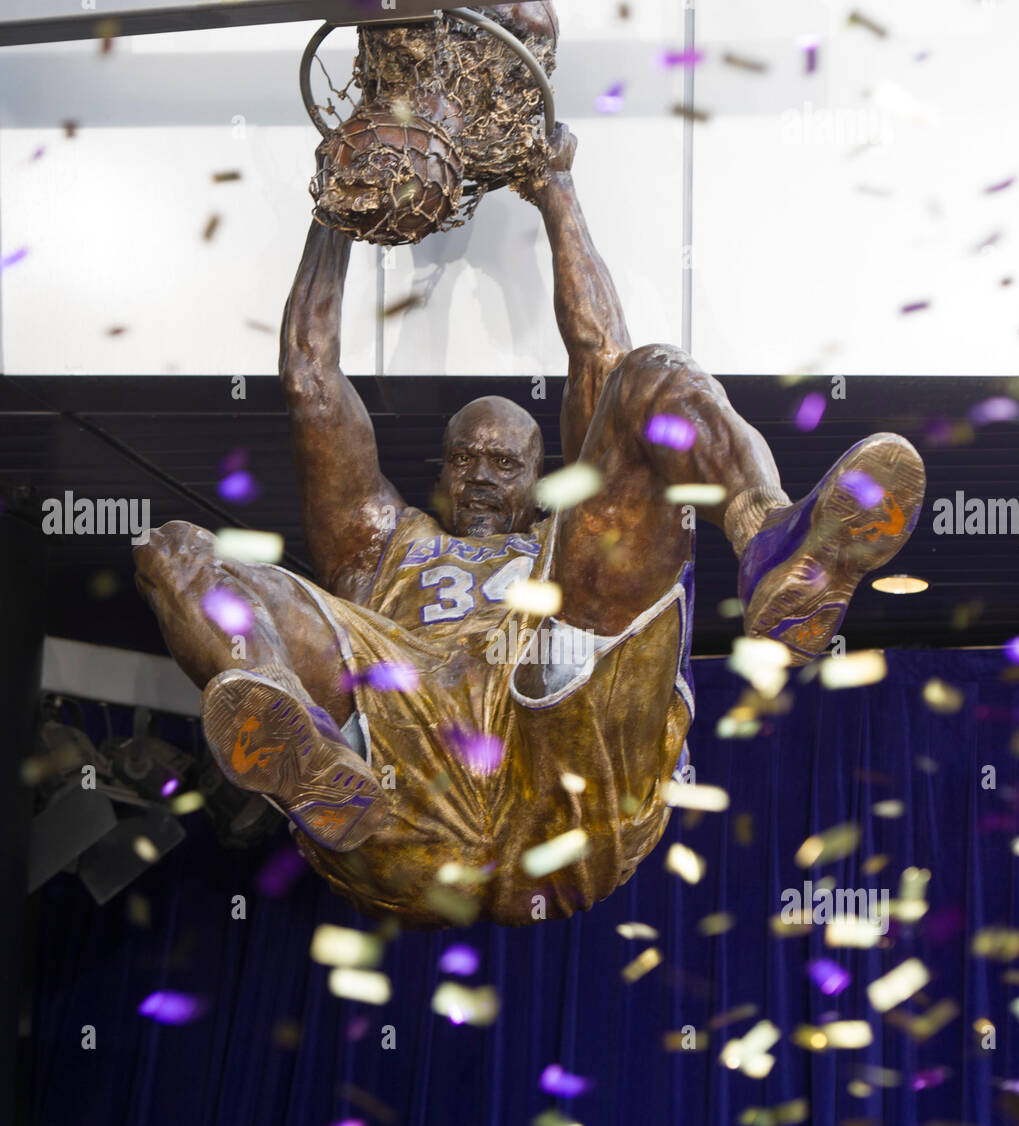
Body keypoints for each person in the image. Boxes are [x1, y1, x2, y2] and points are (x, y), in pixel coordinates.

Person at [134, 123, 924, 926]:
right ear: (437, 473)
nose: (479, 474)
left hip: (565, 758)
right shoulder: (381, 541)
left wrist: (556, 189)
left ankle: (773, 543)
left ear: (542, 479)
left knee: (653, 377)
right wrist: (337, 207)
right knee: (177, 552)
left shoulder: (557, 547)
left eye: (504, 463)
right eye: (464, 459)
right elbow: (309, 376)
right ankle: (303, 748)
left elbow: (598, 356)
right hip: (401, 773)